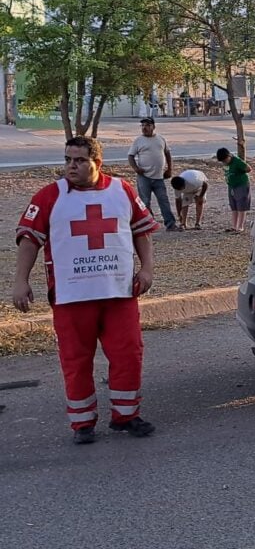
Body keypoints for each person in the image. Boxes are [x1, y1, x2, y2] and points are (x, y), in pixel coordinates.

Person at [11, 136, 160, 444]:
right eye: (67, 159)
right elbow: (29, 240)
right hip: (70, 296)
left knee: (128, 355)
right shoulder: (50, 195)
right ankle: (82, 423)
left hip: (119, 293)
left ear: (97, 163)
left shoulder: (123, 191)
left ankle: (126, 416)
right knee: (76, 360)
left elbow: (141, 232)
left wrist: (146, 269)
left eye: (79, 160)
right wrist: (20, 281)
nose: (71, 166)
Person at [128, 117, 182, 232]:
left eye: (147, 125)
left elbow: (167, 153)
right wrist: (136, 168)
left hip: (159, 177)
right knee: (145, 201)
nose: (144, 128)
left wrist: (169, 169)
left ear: (153, 126)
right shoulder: (138, 141)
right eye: (142, 126)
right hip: (144, 177)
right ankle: (148, 223)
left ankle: (170, 224)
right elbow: (130, 156)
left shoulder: (160, 139)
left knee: (164, 201)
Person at [216, 147, 251, 232]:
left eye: (225, 160)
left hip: (241, 184)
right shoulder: (226, 164)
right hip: (231, 186)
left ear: (229, 156)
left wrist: (239, 173)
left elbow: (248, 168)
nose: (224, 162)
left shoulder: (237, 161)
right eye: (222, 161)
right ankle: (234, 226)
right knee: (234, 206)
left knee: (241, 206)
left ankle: (240, 226)